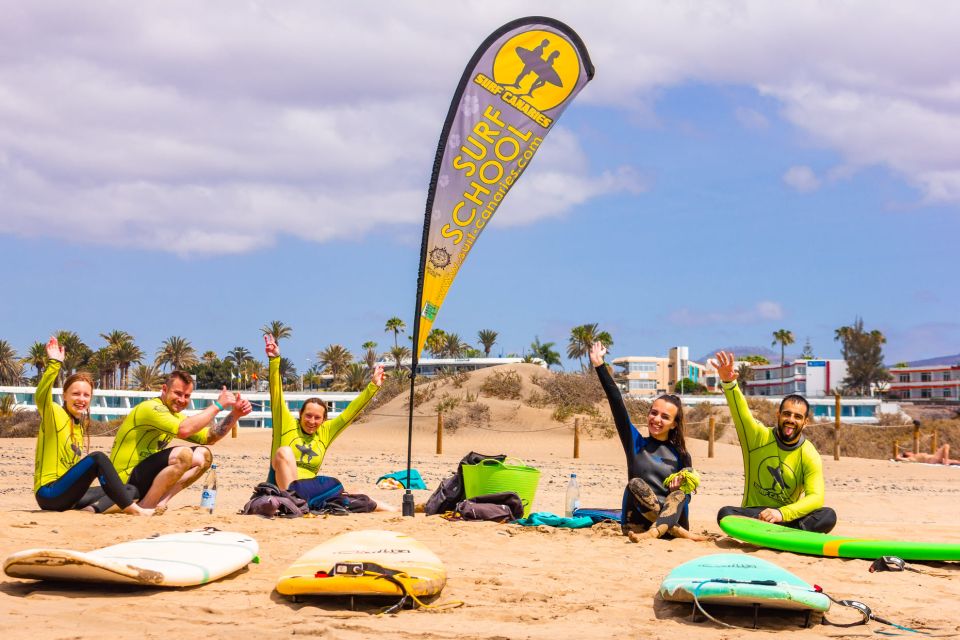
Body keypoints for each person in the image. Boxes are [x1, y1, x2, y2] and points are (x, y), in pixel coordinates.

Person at [590, 342, 704, 541]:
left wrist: (682, 485)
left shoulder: (682, 455)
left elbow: (688, 496)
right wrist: (600, 365)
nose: (657, 419)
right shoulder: (635, 443)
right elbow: (617, 404)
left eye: (665, 417)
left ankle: (660, 529)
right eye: (654, 413)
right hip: (637, 524)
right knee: (635, 483)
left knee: (679, 496)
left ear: (674, 424)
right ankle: (671, 529)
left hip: (671, 517)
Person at [714, 351, 837, 533]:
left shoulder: (809, 454)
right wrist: (729, 383)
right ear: (778, 415)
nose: (791, 420)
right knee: (725, 513)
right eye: (787, 414)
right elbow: (741, 412)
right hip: (755, 514)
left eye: (797, 416)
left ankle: (781, 529)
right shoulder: (757, 437)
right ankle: (790, 532)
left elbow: (816, 497)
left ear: (805, 422)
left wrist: (781, 513)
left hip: (786, 516)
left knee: (828, 515)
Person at [33, 337, 152, 516]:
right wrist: (54, 364)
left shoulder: (80, 425)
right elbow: (42, 396)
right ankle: (133, 510)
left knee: (128, 488)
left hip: (70, 496)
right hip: (50, 493)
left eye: (86, 395)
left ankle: (91, 510)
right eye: (75, 394)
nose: (81, 399)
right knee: (97, 459)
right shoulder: (55, 414)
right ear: (64, 395)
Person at [108, 370, 251, 510]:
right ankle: (147, 505)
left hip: (144, 481)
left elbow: (209, 437)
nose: (182, 400)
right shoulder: (151, 408)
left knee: (204, 455)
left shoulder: (174, 416)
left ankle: (159, 502)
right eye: (177, 393)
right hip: (122, 481)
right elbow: (184, 430)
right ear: (164, 389)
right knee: (183, 454)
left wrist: (235, 414)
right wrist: (218, 406)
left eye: (187, 395)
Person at [264, 334, 385, 499]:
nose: (312, 421)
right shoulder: (285, 423)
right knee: (284, 451)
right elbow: (276, 394)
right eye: (308, 416)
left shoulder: (325, 432)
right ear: (300, 415)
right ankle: (292, 502)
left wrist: (373, 386)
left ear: (323, 420)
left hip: (311, 492)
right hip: (284, 491)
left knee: (364, 501)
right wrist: (274, 360)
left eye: (317, 418)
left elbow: (349, 414)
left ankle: (402, 510)